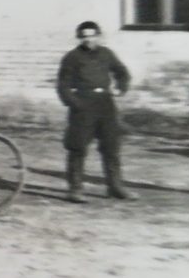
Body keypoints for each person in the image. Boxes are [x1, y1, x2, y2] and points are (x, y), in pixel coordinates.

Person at [56, 21, 135, 203]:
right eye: (84, 36)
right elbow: (63, 86)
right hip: (83, 106)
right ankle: (75, 189)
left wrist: (120, 88)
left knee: (111, 147)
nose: (88, 39)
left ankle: (115, 187)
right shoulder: (71, 57)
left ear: (99, 36)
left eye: (92, 35)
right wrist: (76, 104)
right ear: (79, 38)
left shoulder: (107, 54)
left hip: (105, 104)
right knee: (78, 147)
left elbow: (122, 72)